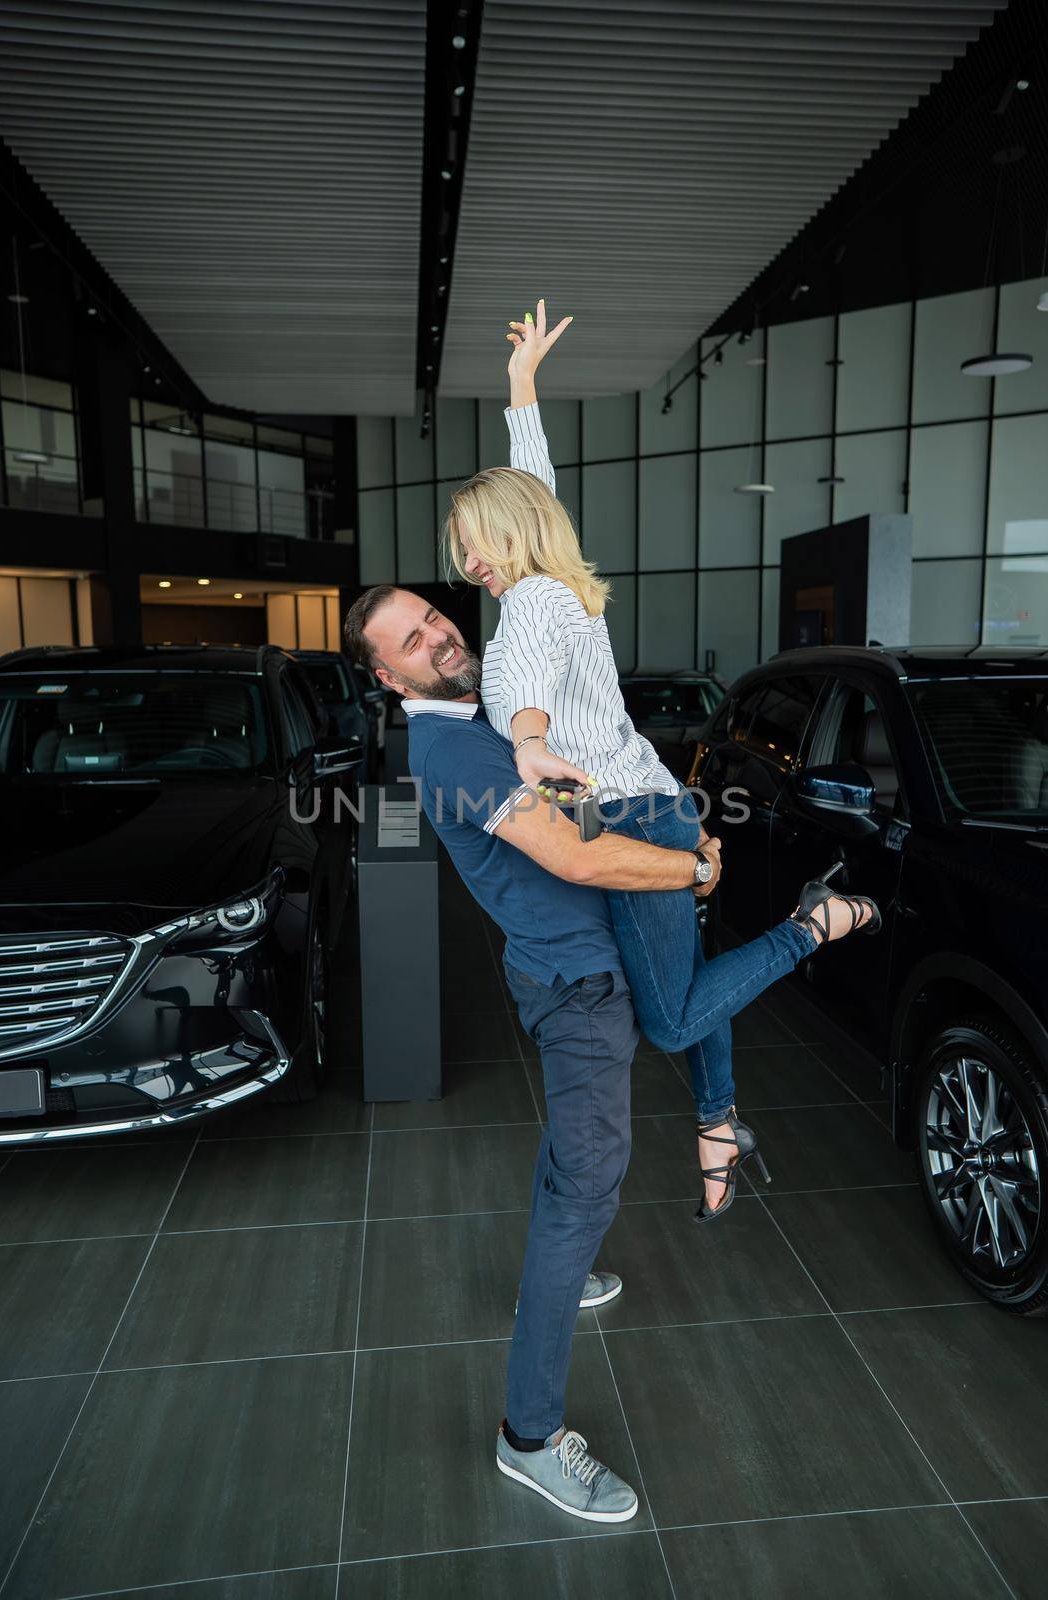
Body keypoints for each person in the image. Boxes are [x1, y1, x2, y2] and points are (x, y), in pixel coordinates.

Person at [343, 583, 875, 1522]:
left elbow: (583, 821)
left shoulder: (493, 718)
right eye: (410, 642)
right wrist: (694, 867)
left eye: (433, 619)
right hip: (577, 988)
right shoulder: (450, 749)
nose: (437, 637)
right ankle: (529, 1438)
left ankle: (573, 1261)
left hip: (585, 960)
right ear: (385, 677)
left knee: (578, 1167)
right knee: (590, 1179)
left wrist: (657, 855)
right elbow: (573, 857)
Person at [442, 297, 878, 1218]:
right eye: (460, 550)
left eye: (471, 542)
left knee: (671, 1015)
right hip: (642, 806)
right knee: (686, 989)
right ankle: (717, 1123)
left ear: (506, 533)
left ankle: (815, 922)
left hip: (631, 817)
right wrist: (520, 387)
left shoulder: (529, 608)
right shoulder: (557, 584)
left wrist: (523, 739)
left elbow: (519, 686)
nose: (465, 562)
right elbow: (536, 486)